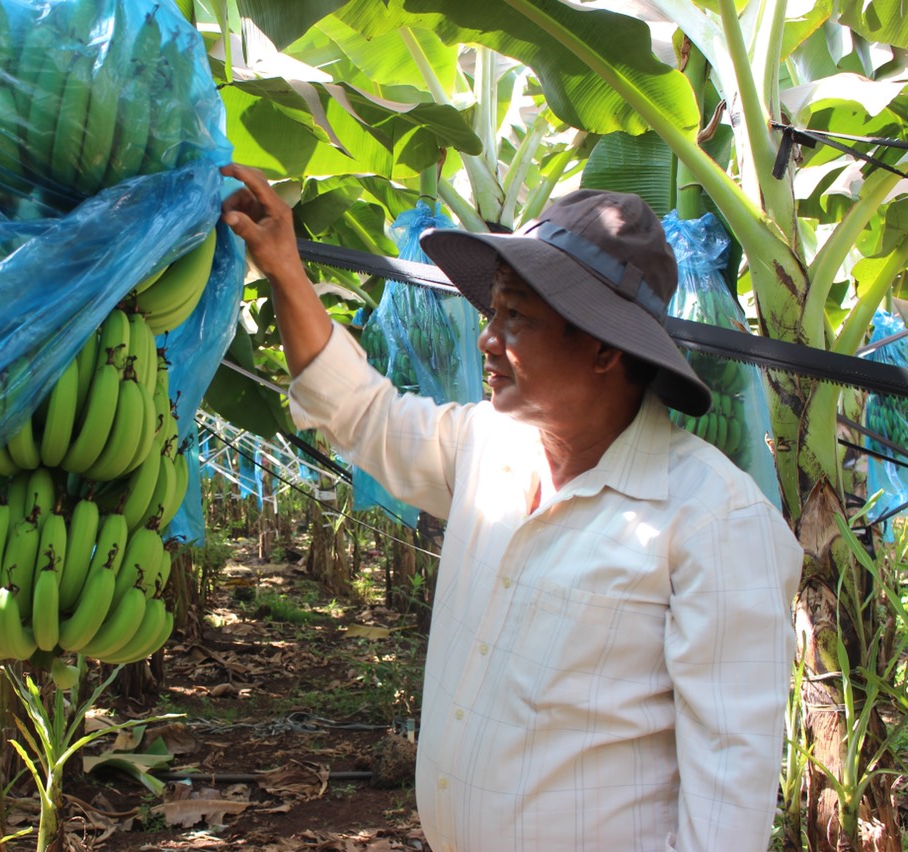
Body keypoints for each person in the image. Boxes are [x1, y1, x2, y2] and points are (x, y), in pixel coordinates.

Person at [219, 162, 803, 852]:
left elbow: (725, 808)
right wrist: (285, 269)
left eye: (516, 316)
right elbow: (362, 413)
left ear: (603, 349)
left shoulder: (711, 521)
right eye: (493, 310)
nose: (486, 339)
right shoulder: (489, 447)